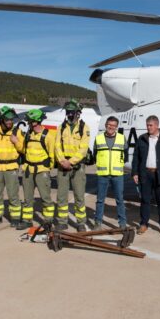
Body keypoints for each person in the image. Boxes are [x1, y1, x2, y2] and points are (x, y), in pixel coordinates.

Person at [131, 115, 160, 235]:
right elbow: (136, 157)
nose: (148, 127)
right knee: (145, 200)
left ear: (157, 125)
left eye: (150, 125)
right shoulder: (142, 139)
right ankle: (144, 224)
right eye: (147, 125)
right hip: (145, 174)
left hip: (159, 174)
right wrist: (135, 172)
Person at [15, 109, 56, 230]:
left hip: (42, 171)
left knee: (45, 198)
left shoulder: (48, 135)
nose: (28, 123)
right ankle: (27, 220)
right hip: (28, 170)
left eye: (29, 121)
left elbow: (52, 155)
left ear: (35, 121)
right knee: (27, 199)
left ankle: (48, 221)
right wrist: (17, 142)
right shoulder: (28, 134)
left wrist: (47, 169)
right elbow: (24, 150)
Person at [54, 99, 91, 232]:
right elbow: (57, 146)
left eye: (72, 112)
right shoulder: (61, 127)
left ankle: (81, 222)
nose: (70, 115)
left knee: (79, 196)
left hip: (77, 167)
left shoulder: (84, 128)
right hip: (62, 165)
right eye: (68, 112)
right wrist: (62, 160)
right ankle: (62, 221)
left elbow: (83, 149)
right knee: (62, 196)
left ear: (78, 113)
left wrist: (71, 162)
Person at [92, 116, 128, 230]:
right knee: (100, 200)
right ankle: (98, 222)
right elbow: (95, 154)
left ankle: (122, 223)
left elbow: (125, 155)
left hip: (117, 175)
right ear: (105, 125)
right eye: (109, 125)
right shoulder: (98, 138)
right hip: (103, 174)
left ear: (116, 127)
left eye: (113, 125)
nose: (111, 127)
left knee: (120, 200)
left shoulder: (122, 138)